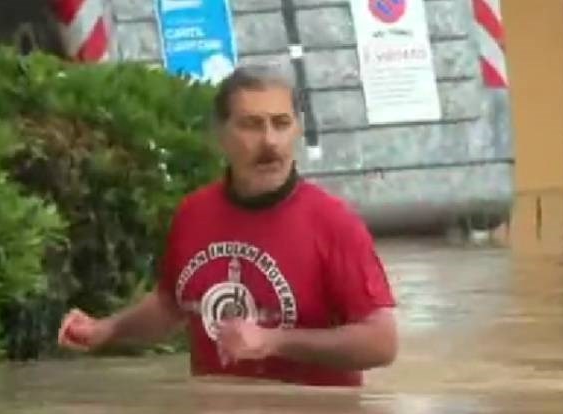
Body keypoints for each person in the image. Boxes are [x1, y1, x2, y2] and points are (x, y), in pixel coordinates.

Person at [57, 63, 398, 387]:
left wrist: (275, 341)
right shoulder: (194, 214)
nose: (270, 142)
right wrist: (107, 330)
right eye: (251, 124)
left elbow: (382, 342)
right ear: (220, 133)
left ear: (297, 128)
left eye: (280, 123)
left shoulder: (333, 223)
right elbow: (171, 305)